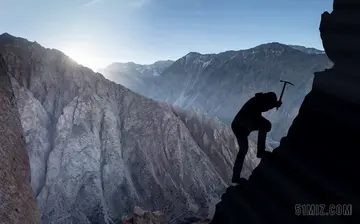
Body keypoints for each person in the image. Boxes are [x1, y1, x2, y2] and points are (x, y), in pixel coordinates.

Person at [231, 92, 281, 184]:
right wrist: (274, 104)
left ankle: (236, 176)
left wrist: (273, 104)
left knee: (243, 149)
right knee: (244, 149)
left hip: (242, 125)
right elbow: (263, 107)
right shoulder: (257, 103)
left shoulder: (258, 100)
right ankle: (260, 151)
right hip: (241, 126)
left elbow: (263, 106)